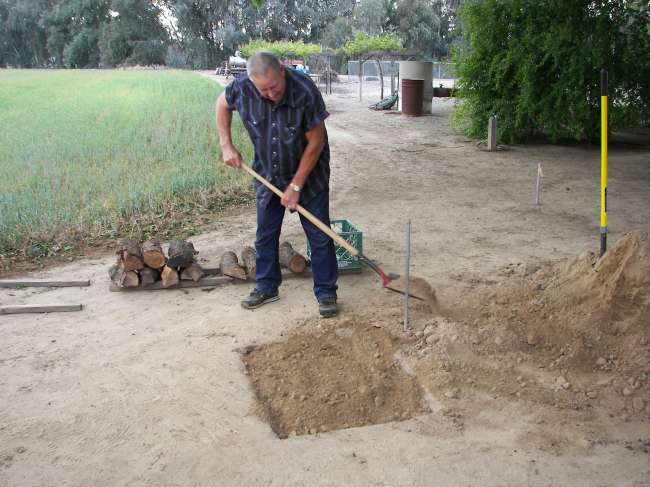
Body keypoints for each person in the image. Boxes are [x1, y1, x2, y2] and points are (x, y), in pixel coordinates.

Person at [215, 51, 338, 318]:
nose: (271, 94)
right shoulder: (242, 88)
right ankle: (267, 286)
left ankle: (326, 292)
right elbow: (222, 103)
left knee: (319, 235)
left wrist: (296, 185)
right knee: (266, 235)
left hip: (309, 174)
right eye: (264, 90)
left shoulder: (304, 90)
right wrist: (226, 145)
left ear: (282, 70)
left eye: (274, 87)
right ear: (252, 82)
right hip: (267, 173)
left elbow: (317, 141)